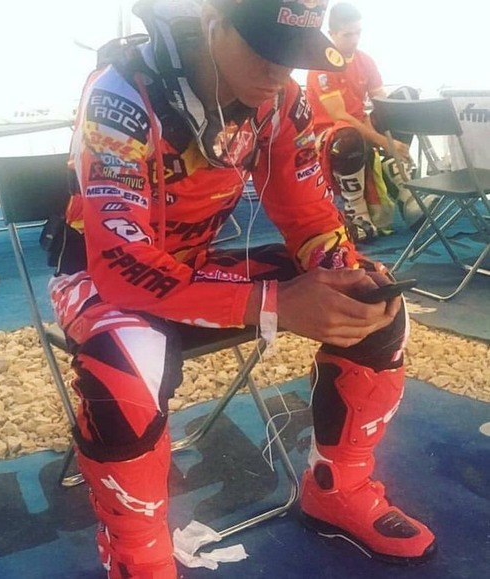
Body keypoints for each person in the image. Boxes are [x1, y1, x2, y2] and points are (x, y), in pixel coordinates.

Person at [47, 0, 436, 575]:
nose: (278, 71)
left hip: (193, 265)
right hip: (97, 274)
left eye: (292, 54)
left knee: (373, 298)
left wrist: (341, 273)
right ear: (214, 21)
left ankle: (337, 487)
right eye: (264, 50)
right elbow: (120, 263)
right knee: (129, 358)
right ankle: (136, 554)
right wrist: (273, 304)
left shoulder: (282, 100)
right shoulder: (119, 94)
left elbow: (308, 216)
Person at [306, 2, 413, 242]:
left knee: (405, 100)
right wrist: (384, 142)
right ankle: (357, 212)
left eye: (358, 33)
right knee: (348, 135)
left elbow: (383, 104)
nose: (354, 40)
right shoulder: (320, 65)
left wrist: (388, 129)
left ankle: (404, 185)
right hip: (329, 135)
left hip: (359, 125)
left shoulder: (365, 60)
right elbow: (339, 116)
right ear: (332, 34)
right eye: (347, 35)